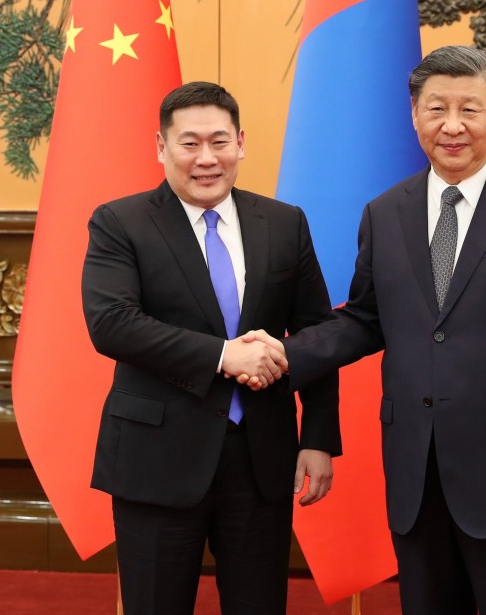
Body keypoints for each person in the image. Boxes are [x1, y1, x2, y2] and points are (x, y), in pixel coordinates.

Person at [243, 46, 486, 615]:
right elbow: (365, 319)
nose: (452, 126)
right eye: (437, 108)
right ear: (414, 115)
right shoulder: (386, 212)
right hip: (418, 466)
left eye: (470, 109)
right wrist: (287, 354)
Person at [81, 81, 341, 615]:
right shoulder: (120, 222)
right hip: (157, 459)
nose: (206, 158)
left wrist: (318, 438)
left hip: (261, 460)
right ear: (162, 147)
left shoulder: (284, 223)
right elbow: (112, 323)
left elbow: (318, 335)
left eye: (219, 142)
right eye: (190, 143)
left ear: (240, 143)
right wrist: (223, 356)